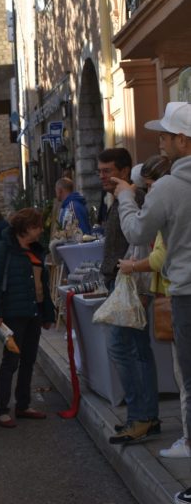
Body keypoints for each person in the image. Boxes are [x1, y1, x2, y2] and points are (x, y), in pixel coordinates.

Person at [112, 103, 191, 503]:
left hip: (187, 294)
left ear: (182, 141)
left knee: (190, 382)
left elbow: (137, 228)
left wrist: (127, 197)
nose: (158, 141)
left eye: (164, 135)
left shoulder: (169, 187)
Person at [116, 155, 186, 454]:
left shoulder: (169, 193)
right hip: (176, 290)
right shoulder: (175, 190)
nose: (149, 190)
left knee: (185, 377)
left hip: (179, 291)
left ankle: (187, 439)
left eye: (148, 185)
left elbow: (145, 241)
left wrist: (126, 200)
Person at [96, 148, 160, 444]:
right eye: (100, 171)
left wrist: (143, 287)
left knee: (126, 349)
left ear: (124, 171)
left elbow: (144, 243)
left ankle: (141, 417)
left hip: (132, 284)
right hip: (123, 283)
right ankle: (146, 416)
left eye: (108, 170)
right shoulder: (117, 198)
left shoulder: (133, 198)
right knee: (135, 349)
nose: (102, 176)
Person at [0, 208, 56, 428]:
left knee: (29, 361)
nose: (41, 231)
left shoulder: (35, 250)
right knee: (11, 362)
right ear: (26, 228)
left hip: (34, 313)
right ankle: (2, 410)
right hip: (13, 315)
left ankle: (23, 405)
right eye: (37, 227)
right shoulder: (3, 248)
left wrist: (48, 314)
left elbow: (43, 286)